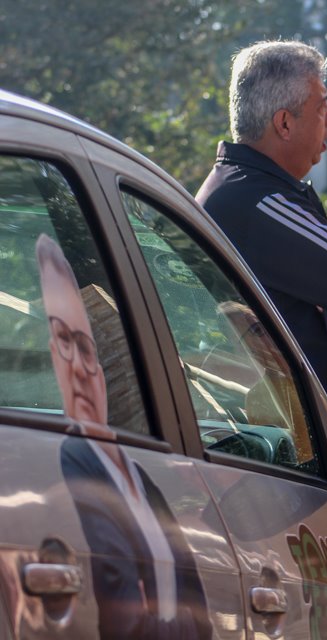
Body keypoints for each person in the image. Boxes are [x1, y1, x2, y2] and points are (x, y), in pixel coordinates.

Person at [196, 40, 327, 425]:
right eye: (322, 105)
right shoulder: (258, 202)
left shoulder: (252, 192)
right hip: (294, 464)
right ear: (285, 123)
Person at [36, 234, 211, 639]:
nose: (79, 367)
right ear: (51, 364)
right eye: (63, 343)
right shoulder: (71, 463)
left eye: (86, 348)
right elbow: (124, 615)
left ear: (103, 370)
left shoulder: (138, 473)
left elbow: (197, 609)